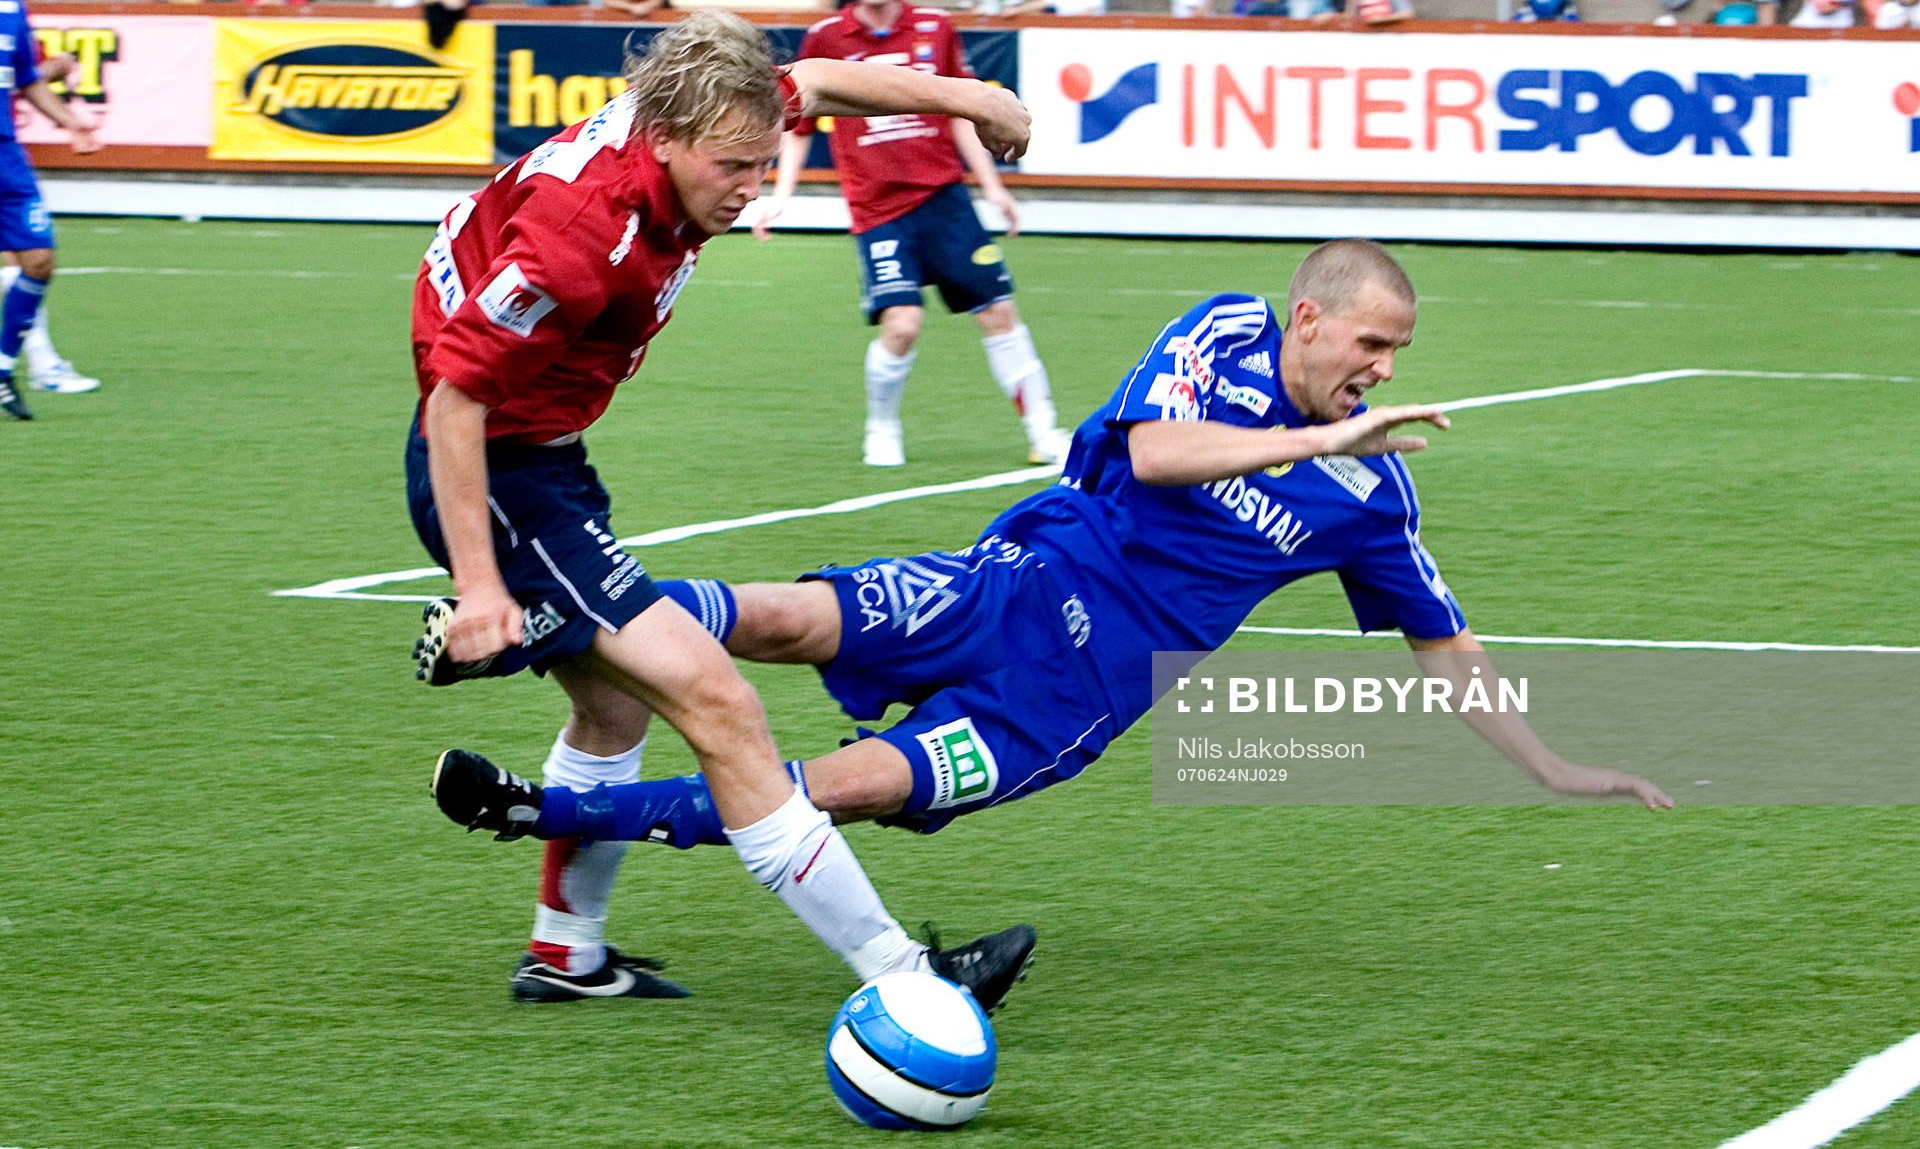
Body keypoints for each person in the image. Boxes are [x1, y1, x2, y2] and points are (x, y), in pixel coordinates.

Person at [432, 240, 1672, 888]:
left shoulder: (1371, 494)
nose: (1385, 371)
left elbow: (1445, 648)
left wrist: (1553, 766)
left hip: (1065, 706)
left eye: (1397, 353)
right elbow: (1156, 450)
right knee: (792, 617)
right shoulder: (1226, 330)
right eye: (1373, 342)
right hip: (1017, 579)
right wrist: (1317, 433)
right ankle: (560, 620)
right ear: (1309, 318)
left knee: (833, 788)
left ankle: (545, 810)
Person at [408, 10, 1040, 1007]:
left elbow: (825, 82)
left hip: (548, 458)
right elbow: (454, 398)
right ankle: (904, 978)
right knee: (722, 707)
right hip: (501, 469)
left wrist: (969, 97)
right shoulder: (579, 236)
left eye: (765, 164)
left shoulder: (705, 113)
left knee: (614, 711)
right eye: (734, 169)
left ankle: (566, 956)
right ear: (664, 139)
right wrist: (482, 583)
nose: (752, 193)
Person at [752, 0, 1072, 470]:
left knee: (998, 311)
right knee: (903, 324)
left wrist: (994, 188)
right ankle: (881, 425)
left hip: (945, 199)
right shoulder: (826, 38)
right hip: (878, 209)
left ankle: (1043, 431)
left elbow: (965, 114)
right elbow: (798, 126)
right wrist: (779, 196)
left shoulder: (934, 27)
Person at [0, 0, 100, 421]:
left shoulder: (10, 7)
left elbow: (27, 79)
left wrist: (70, 121)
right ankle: (41, 364)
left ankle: (3, 370)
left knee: (39, 259)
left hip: (6, 157)